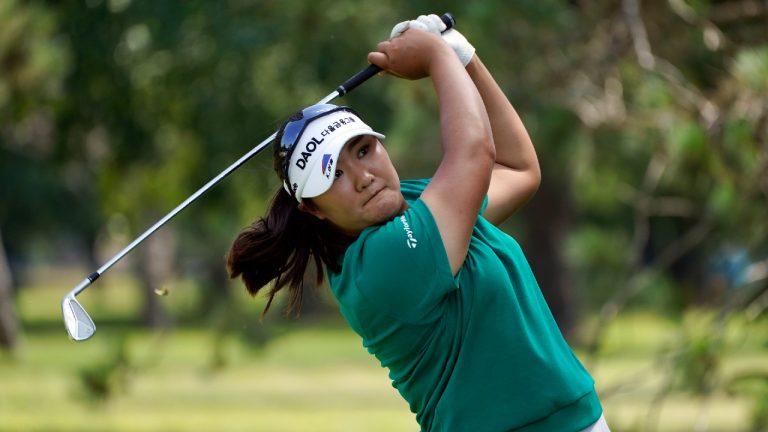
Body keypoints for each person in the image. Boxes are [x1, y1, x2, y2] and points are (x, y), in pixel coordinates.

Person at [227, 14, 609, 432]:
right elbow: (475, 152)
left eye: (362, 150)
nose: (363, 176)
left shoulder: (413, 204)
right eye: (332, 175)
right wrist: (434, 55)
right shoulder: (378, 265)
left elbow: (517, 170)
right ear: (313, 210)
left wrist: (464, 58)